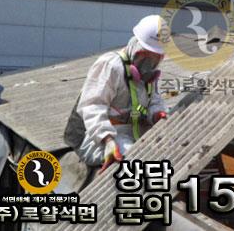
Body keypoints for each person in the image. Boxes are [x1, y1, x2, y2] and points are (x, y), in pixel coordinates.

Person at [68, 15, 168, 172]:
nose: (151, 63)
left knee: (164, 152)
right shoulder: (111, 66)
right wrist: (107, 140)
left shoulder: (149, 75)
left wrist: (157, 114)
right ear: (137, 48)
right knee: (134, 161)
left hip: (132, 132)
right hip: (96, 136)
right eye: (148, 56)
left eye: (157, 58)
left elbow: (154, 101)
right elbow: (92, 107)